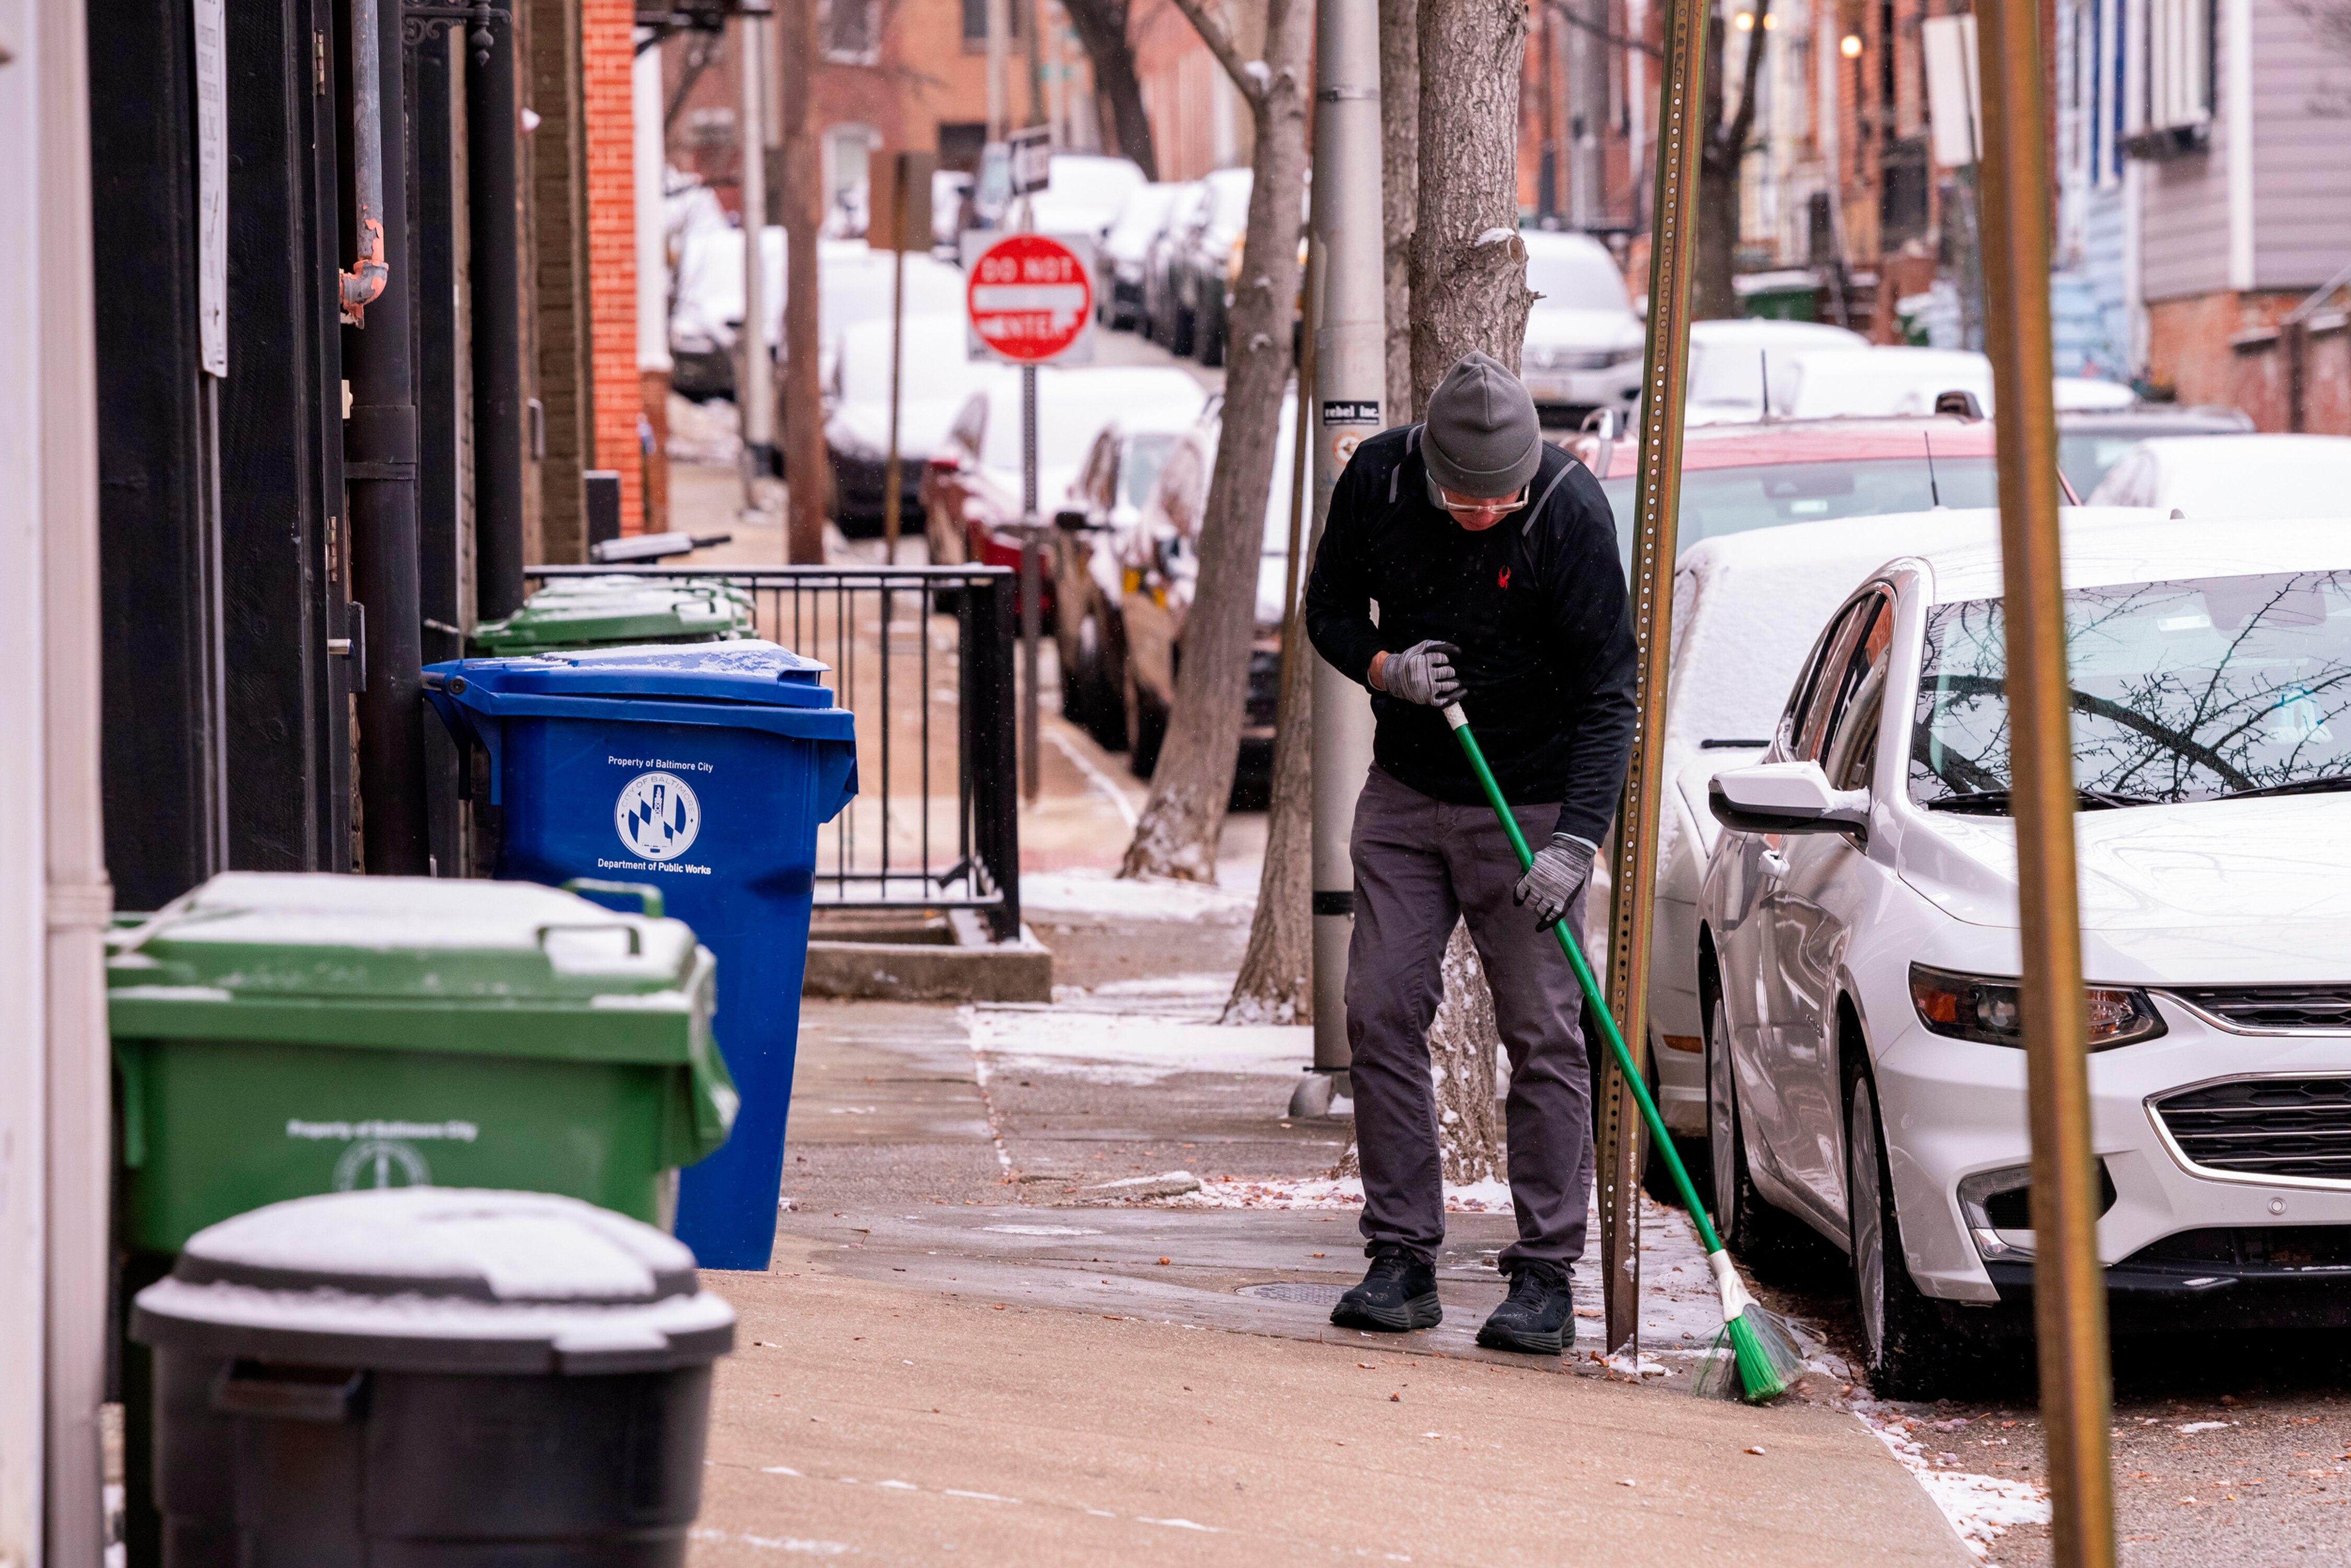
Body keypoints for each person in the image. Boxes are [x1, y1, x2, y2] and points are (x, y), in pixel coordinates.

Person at [1301, 351, 1636, 1355]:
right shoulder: (1379, 480)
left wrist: (1576, 838)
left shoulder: (1570, 513)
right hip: (1407, 792)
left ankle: (1546, 1272)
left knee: (1542, 1029)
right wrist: (1385, 669)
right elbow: (1327, 611)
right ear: (1431, 470)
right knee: (1381, 1009)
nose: (1486, 512)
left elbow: (1610, 692)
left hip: (1529, 802)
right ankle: (1402, 1256)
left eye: (1504, 497)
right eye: (1465, 499)